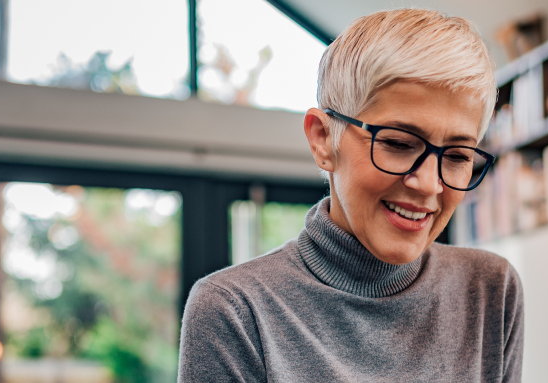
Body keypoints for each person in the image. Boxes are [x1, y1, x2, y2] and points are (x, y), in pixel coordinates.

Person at [178, 8, 523, 382]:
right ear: (323, 139)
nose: (428, 184)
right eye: (398, 143)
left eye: (457, 156)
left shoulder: (490, 290)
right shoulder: (235, 311)